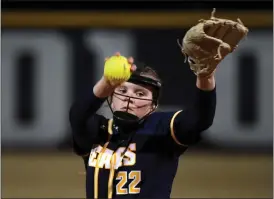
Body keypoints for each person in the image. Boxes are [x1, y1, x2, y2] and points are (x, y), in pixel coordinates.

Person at [69, 52, 216, 199]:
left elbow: (200, 118)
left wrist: (205, 77)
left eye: (140, 94)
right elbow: (77, 115)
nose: (129, 98)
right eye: (122, 90)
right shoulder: (97, 131)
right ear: (111, 98)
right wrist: (105, 84)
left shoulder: (162, 130)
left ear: (153, 105)